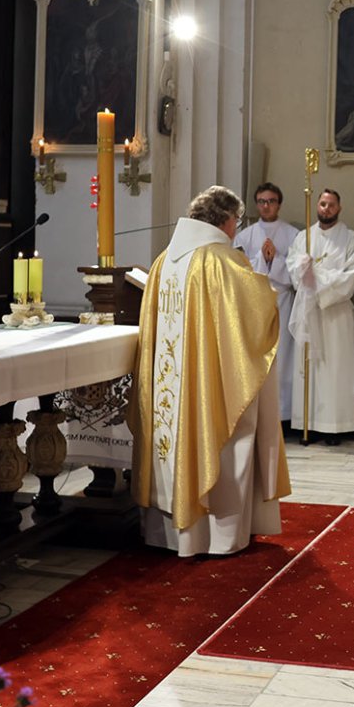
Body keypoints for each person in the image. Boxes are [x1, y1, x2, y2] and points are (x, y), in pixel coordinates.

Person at [129, 185, 291, 556]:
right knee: (225, 434)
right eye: (237, 221)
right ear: (226, 219)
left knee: (168, 442)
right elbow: (254, 313)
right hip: (208, 386)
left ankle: (166, 534)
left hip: (169, 387)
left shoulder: (164, 260)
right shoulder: (222, 259)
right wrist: (268, 296)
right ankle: (218, 537)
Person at [287, 189, 354, 443]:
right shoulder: (303, 238)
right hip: (309, 313)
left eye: (331, 205)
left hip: (336, 314)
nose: (326, 209)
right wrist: (302, 270)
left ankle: (335, 427)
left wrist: (316, 278)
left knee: (336, 370)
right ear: (316, 206)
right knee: (310, 368)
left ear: (339, 208)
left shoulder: (350, 239)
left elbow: (351, 277)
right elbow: (292, 269)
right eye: (322, 204)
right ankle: (307, 424)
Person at [233, 182, 298, 424]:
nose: (266, 206)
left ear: (279, 204)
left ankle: (284, 415)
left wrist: (276, 259)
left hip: (283, 302)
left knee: (283, 359)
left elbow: (296, 274)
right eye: (262, 201)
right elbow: (239, 271)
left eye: (271, 201)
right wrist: (263, 258)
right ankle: (258, 415)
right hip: (255, 305)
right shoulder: (245, 235)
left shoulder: (293, 235)